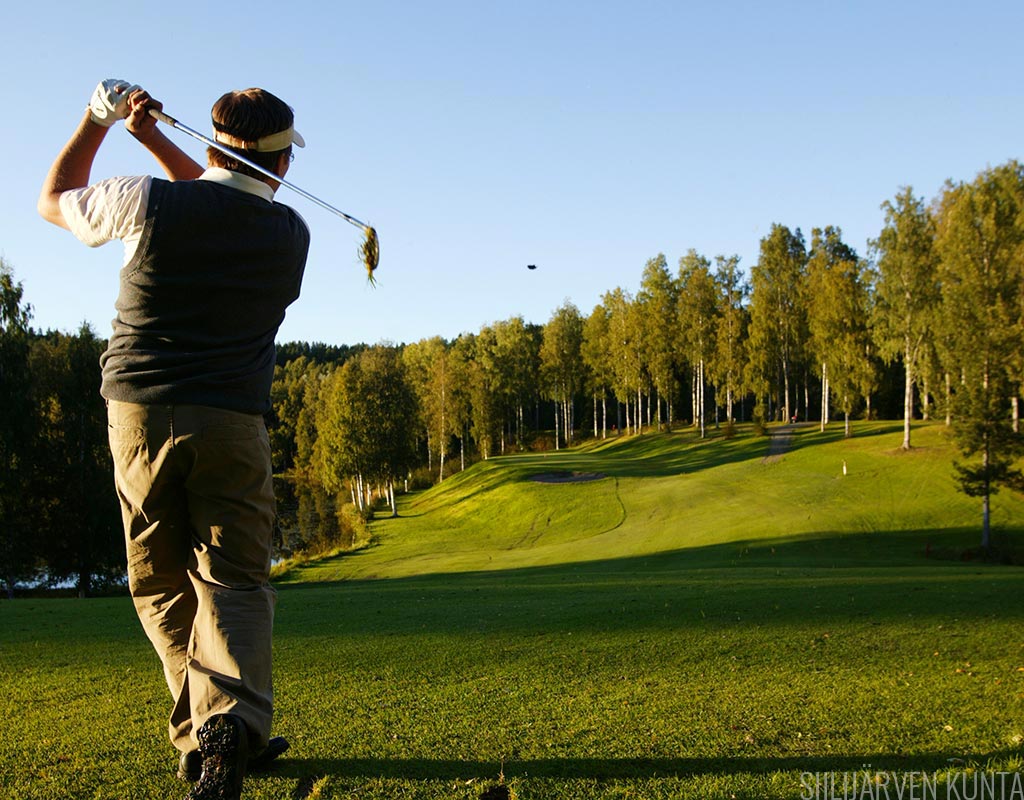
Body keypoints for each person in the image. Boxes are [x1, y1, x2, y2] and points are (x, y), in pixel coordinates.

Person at [38, 79, 311, 800]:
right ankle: (226, 727)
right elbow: (220, 199)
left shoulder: (145, 200)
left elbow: (53, 200)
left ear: (214, 142)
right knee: (235, 577)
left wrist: (97, 121)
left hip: (135, 413)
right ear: (283, 165)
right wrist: (156, 141)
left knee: (157, 576)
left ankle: (205, 731)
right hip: (231, 421)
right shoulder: (291, 234)